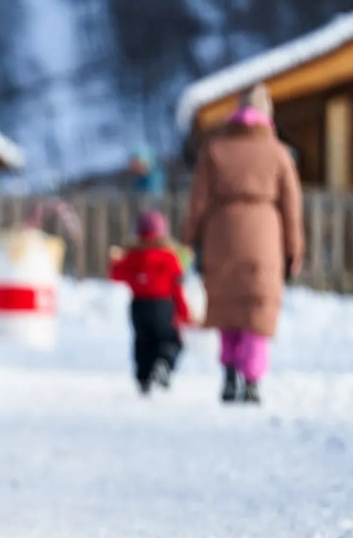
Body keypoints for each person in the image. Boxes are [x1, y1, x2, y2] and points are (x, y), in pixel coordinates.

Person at [182, 84, 303, 405]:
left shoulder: (215, 149)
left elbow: (198, 202)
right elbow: (291, 206)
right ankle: (251, 379)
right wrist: (294, 249)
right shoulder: (279, 153)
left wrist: (189, 239)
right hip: (264, 236)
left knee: (226, 306)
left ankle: (229, 373)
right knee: (257, 306)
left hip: (221, 236)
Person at [109, 210, 190, 394]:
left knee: (142, 342)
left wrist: (115, 261)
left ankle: (143, 378)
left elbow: (116, 275)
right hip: (163, 305)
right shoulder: (169, 257)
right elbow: (177, 286)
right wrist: (183, 310)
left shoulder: (131, 255)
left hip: (138, 306)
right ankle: (164, 363)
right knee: (170, 339)